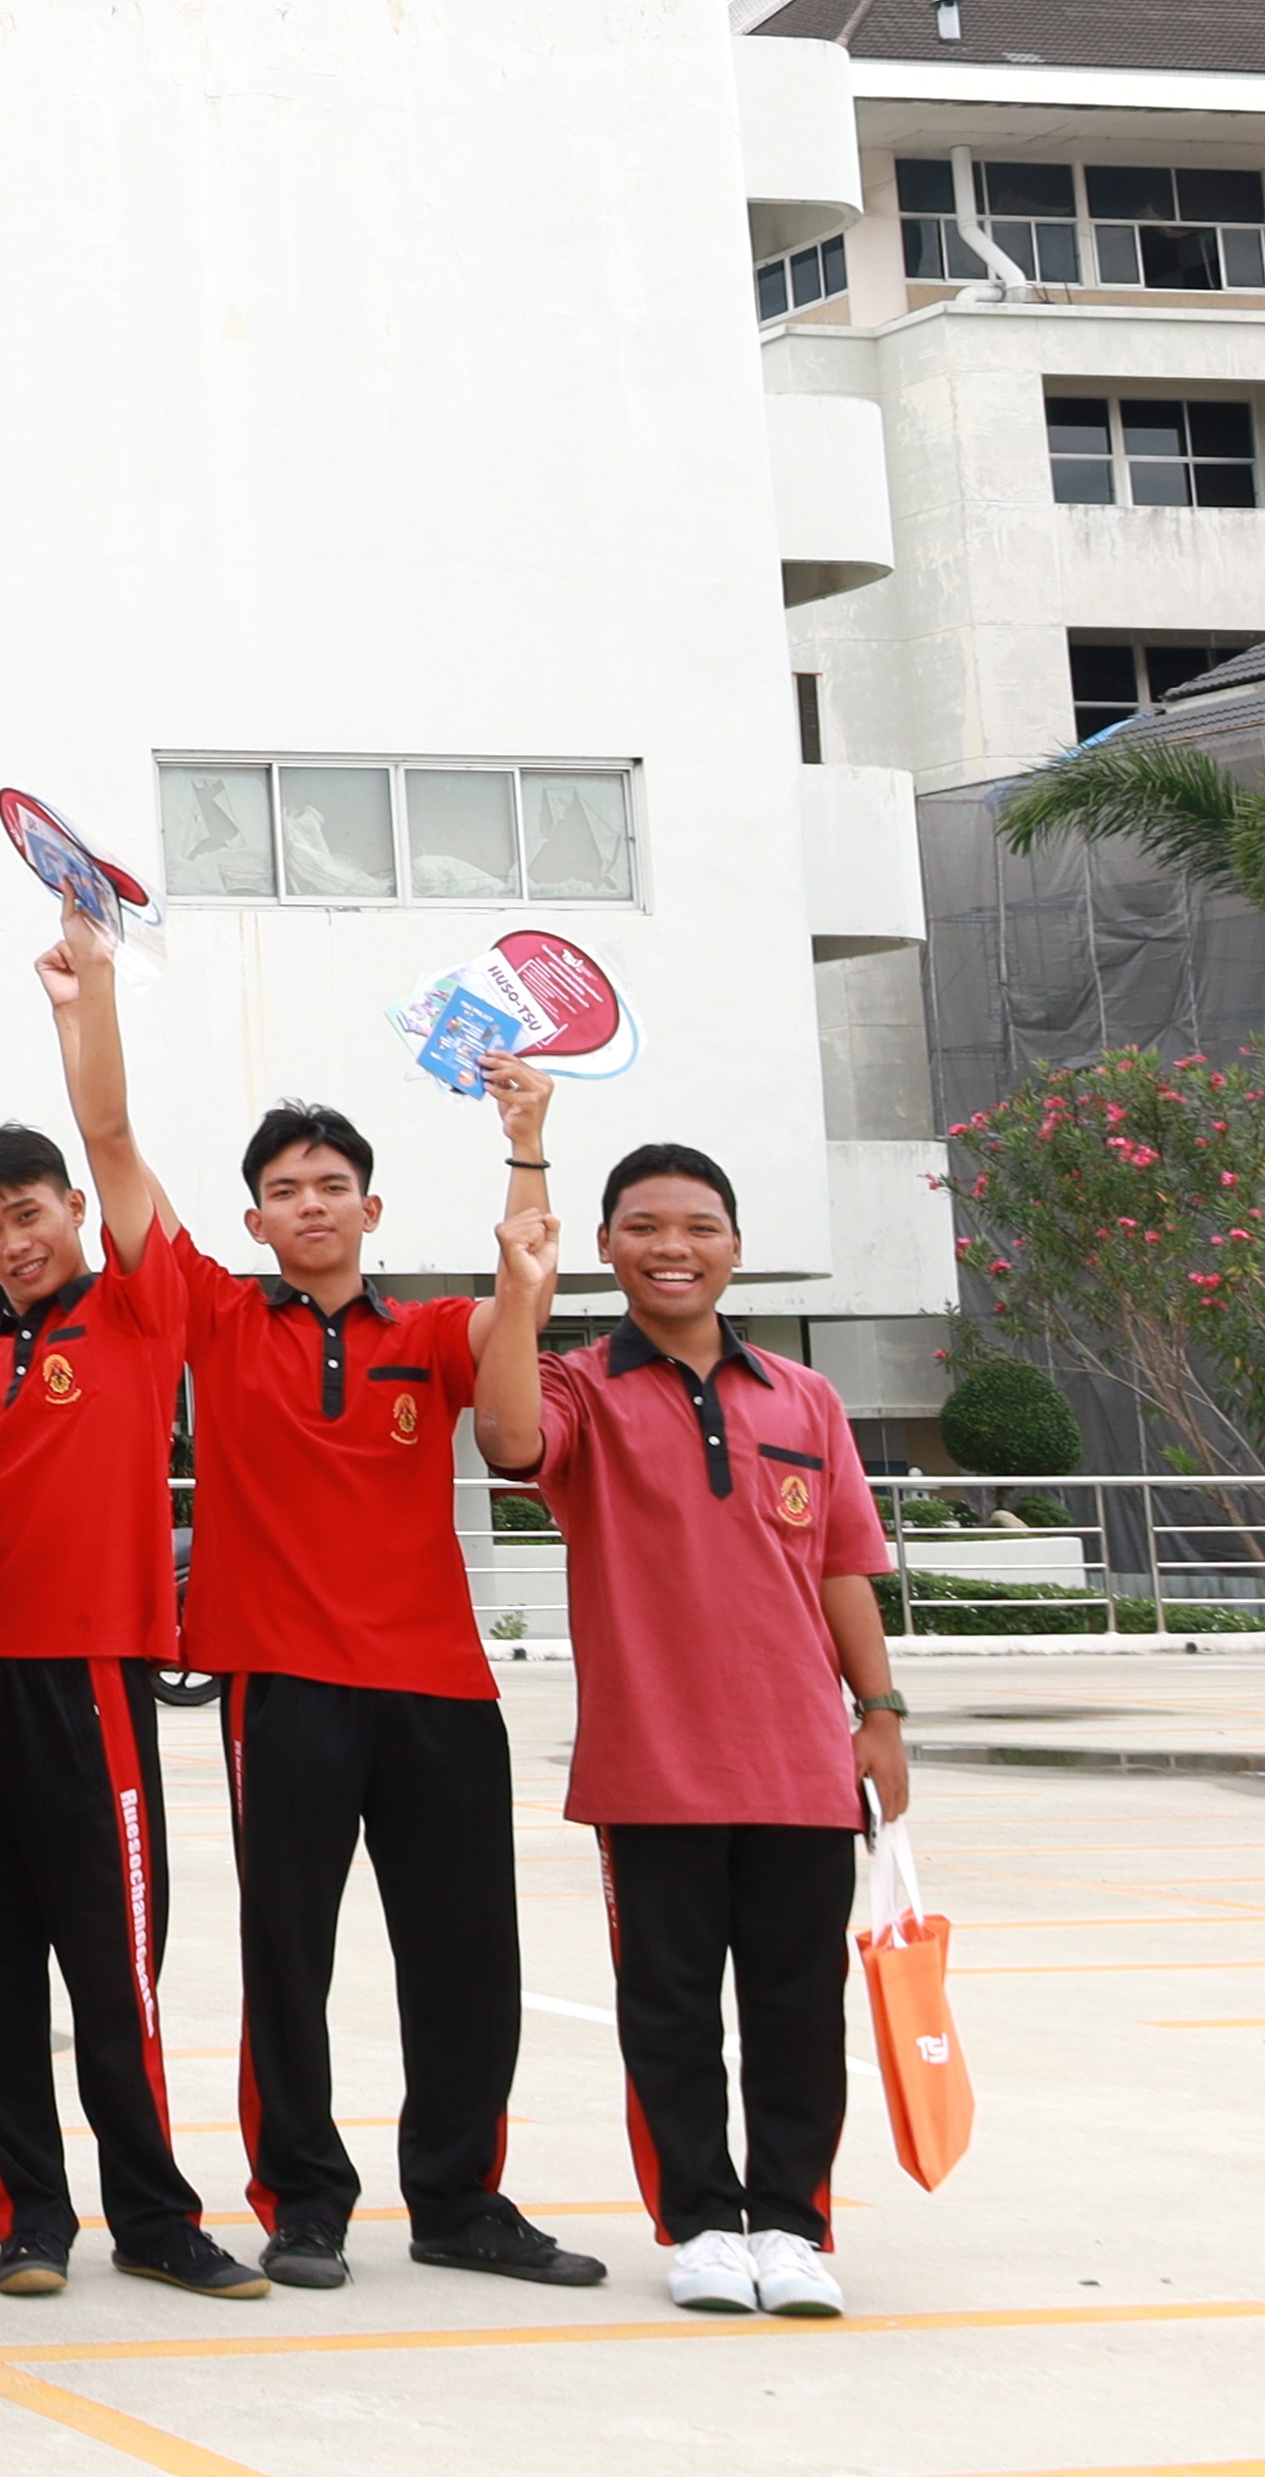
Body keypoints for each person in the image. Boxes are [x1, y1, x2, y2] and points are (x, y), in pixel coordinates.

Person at [60, 991, 593, 2292]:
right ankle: (303, 2202)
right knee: (288, 1959)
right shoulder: (216, 1318)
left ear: (371, 1208)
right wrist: (92, 993)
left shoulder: (435, 1333)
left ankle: (459, 2200)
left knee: (466, 1958)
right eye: (285, 1190)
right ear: (253, 1221)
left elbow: (519, 1375)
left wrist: (525, 1159)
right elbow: (112, 1143)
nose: (310, 1204)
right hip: (284, 1687)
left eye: (332, 1185)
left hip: (438, 1690)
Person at [500, 1138, 907, 2318]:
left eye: (696, 1227)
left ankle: (789, 2225)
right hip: (650, 1768)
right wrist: (520, 1288)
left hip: (799, 1766)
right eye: (641, 1227)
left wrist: (878, 1712)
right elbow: (508, 1442)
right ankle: (699, 2227)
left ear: (733, 1247)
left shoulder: (802, 1397)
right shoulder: (576, 1386)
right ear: (604, 1246)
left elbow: (840, 1565)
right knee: (668, 2014)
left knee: (797, 2014)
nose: (669, 1247)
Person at [0, 938, 271, 2303]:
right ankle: (30, 2215)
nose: (12, 1243)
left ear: (73, 1209)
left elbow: (116, 1133)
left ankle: (154, 2215)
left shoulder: (137, 1313)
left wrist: (90, 1006)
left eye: (28, 1214)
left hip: (87, 1684)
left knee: (112, 1969)